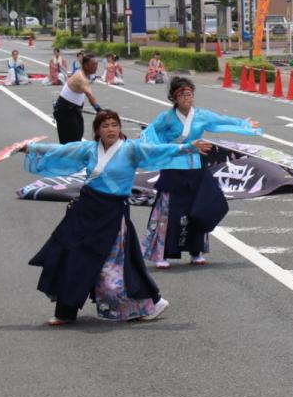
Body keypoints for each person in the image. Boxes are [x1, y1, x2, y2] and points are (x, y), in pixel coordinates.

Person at [17, 109, 213, 324]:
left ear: (119, 128)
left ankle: (150, 304)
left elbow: (158, 150)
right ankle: (65, 312)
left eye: (114, 125)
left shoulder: (131, 149)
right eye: (105, 126)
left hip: (112, 214)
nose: (110, 129)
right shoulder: (89, 149)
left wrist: (188, 147)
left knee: (114, 267)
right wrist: (30, 148)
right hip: (85, 211)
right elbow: (61, 150)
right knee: (70, 255)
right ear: (97, 130)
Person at [141, 77, 263, 268]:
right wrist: (157, 146)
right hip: (173, 168)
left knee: (198, 208)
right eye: (182, 94)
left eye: (189, 94)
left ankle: (196, 251)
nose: (186, 98)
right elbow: (149, 135)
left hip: (196, 168)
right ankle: (161, 254)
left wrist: (244, 124)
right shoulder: (166, 118)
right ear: (174, 97)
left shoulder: (201, 115)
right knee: (169, 213)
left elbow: (223, 120)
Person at [54, 54, 101, 144]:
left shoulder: (84, 74)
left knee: (77, 137)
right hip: (65, 110)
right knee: (69, 142)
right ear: (86, 65)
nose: (96, 67)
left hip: (74, 110)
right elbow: (90, 95)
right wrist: (99, 110)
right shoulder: (81, 77)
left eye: (96, 64)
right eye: (94, 64)